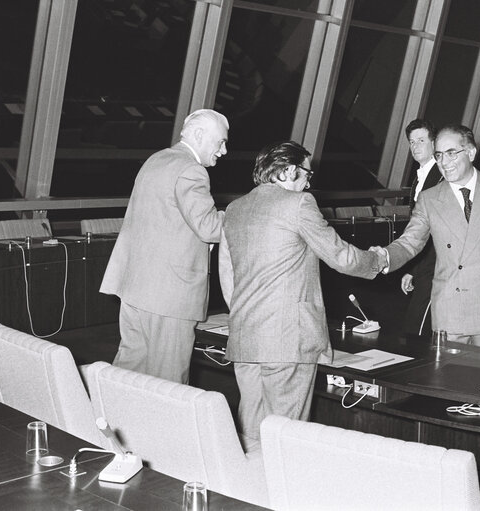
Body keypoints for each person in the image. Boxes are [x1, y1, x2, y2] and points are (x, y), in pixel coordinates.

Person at [218, 141, 386, 452]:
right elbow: (340, 256)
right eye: (306, 174)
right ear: (286, 171)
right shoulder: (298, 204)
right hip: (287, 341)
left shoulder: (234, 209)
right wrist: (379, 260)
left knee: (252, 437)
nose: (309, 183)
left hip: (245, 338)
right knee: (285, 439)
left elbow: (227, 275)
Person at [375, 124, 480, 350]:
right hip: (449, 312)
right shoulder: (429, 199)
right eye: (439, 155)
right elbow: (410, 242)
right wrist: (382, 258)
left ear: (470, 153)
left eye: (451, 153)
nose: (444, 162)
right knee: (447, 381)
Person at [100, 109, 228, 384]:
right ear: (199, 135)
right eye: (220, 142)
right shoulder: (191, 170)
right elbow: (210, 227)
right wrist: (244, 215)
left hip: (135, 288)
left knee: (128, 371)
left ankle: (109, 424)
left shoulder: (156, 160)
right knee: (168, 381)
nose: (224, 151)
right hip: (169, 296)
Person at [400, 119, 442, 336]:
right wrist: (410, 269)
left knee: (415, 330)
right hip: (423, 264)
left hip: (437, 264)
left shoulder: (442, 176)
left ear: (434, 143)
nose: (415, 146)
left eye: (421, 140)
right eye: (411, 142)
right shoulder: (419, 179)